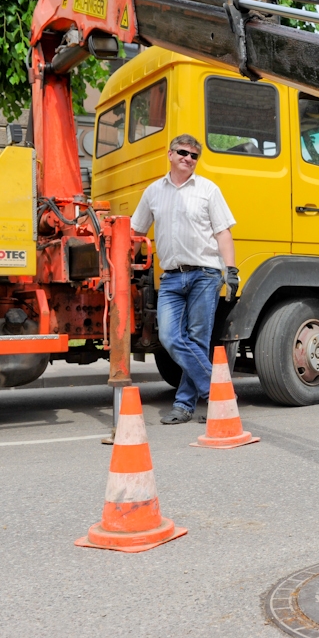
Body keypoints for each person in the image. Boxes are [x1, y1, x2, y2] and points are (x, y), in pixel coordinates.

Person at [131, 134, 239, 424]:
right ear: (170, 154)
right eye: (182, 152)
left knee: (197, 340)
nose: (188, 159)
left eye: (194, 156)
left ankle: (183, 406)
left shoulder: (208, 190)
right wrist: (123, 262)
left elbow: (223, 232)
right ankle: (218, 394)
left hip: (205, 274)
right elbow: (136, 233)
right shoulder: (153, 192)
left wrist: (231, 270)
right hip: (171, 278)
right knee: (168, 337)